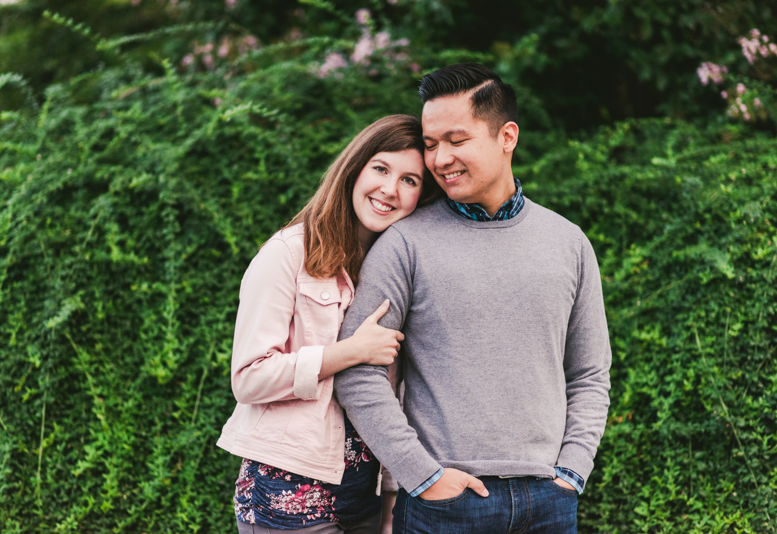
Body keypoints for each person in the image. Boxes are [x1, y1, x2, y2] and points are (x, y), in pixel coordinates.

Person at [334, 63, 612, 533]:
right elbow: (359, 375)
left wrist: (571, 472)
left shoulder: (569, 243)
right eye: (430, 144)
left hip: (549, 500)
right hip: (444, 506)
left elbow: (589, 372)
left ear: (507, 137)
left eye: (456, 141)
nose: (439, 159)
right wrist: (423, 476)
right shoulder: (404, 244)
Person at [216, 115, 440, 534]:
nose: (390, 189)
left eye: (410, 180)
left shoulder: (398, 272)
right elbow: (248, 378)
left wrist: (392, 498)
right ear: (354, 169)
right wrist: (350, 352)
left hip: (363, 498)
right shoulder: (288, 254)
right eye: (381, 168)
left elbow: (401, 396)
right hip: (289, 496)